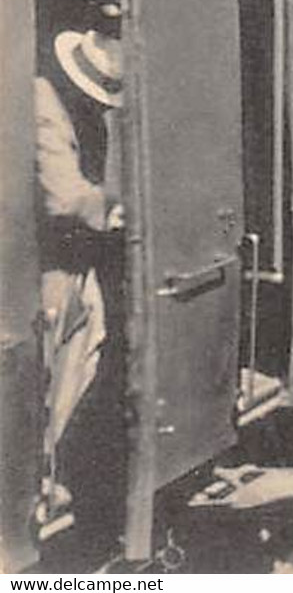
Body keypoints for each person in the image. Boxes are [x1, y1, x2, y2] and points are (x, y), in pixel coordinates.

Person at [34, 27, 127, 543]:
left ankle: (50, 477)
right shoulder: (42, 102)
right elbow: (62, 196)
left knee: (82, 358)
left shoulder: (79, 104)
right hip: (52, 267)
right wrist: (117, 209)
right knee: (50, 372)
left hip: (78, 264)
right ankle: (39, 485)